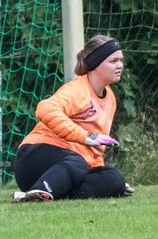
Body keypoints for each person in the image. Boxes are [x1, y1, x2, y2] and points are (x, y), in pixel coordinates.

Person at [12, 34, 133, 202]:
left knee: (114, 178)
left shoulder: (110, 99)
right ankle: (41, 189)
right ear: (95, 64)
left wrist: (106, 179)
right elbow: (45, 108)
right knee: (78, 162)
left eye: (121, 60)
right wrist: (85, 136)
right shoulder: (78, 89)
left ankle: (45, 192)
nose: (120, 66)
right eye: (113, 61)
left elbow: (96, 150)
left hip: (69, 167)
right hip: (33, 157)